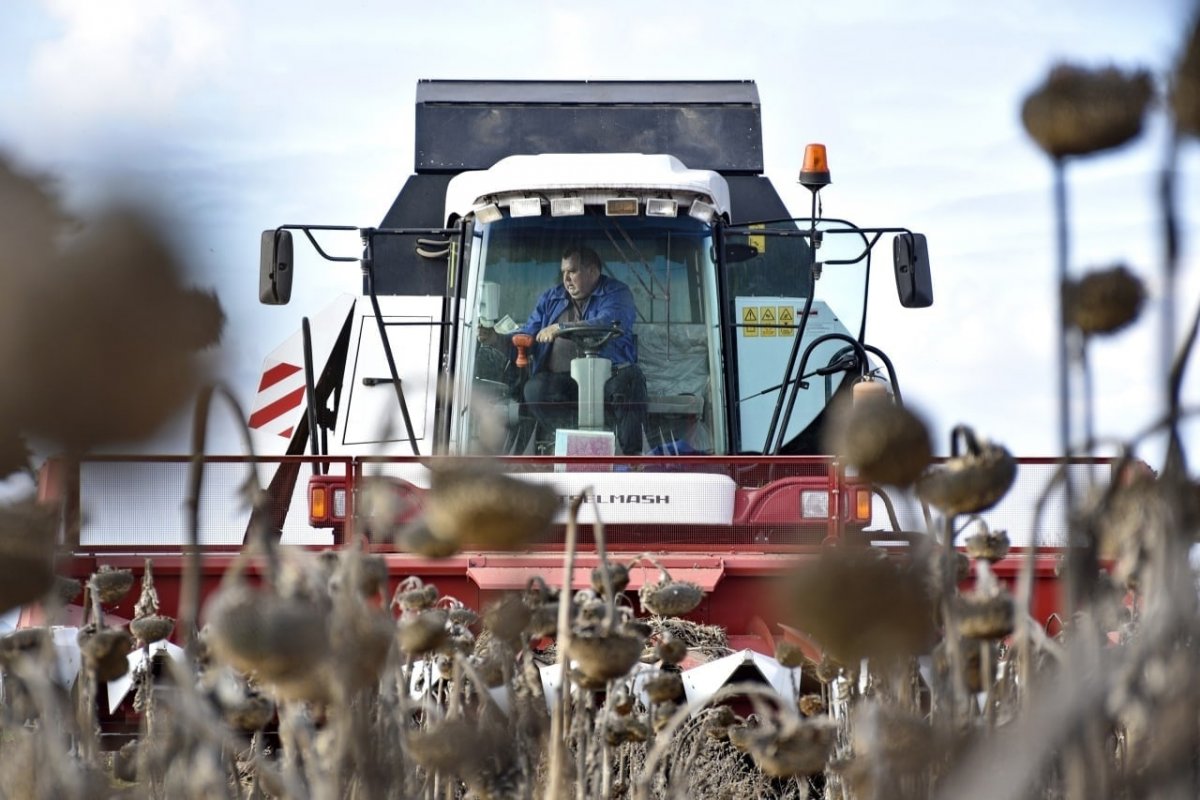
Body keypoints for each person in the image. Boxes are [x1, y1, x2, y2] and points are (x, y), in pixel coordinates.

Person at [478, 245, 647, 454]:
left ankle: (631, 458)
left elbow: (611, 321)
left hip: (609, 377)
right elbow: (527, 337)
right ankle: (569, 445)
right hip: (562, 382)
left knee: (632, 378)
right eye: (563, 273)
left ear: (593, 272)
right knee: (534, 389)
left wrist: (560, 328)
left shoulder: (617, 293)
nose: (566, 279)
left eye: (572, 271)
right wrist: (495, 339)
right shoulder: (551, 298)